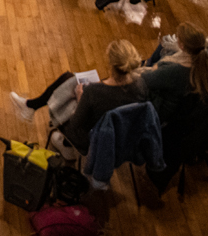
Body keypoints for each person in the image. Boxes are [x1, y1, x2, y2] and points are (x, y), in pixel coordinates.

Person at [10, 40, 148, 158]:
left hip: (88, 138)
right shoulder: (141, 85)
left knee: (68, 82)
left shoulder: (94, 92)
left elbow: (75, 124)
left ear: (111, 65)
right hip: (119, 136)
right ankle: (31, 107)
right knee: (69, 79)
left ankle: (64, 143)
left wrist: (81, 96)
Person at [141, 22, 208, 122]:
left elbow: (145, 79)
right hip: (189, 113)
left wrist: (156, 67)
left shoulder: (174, 71)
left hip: (165, 115)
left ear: (181, 46)